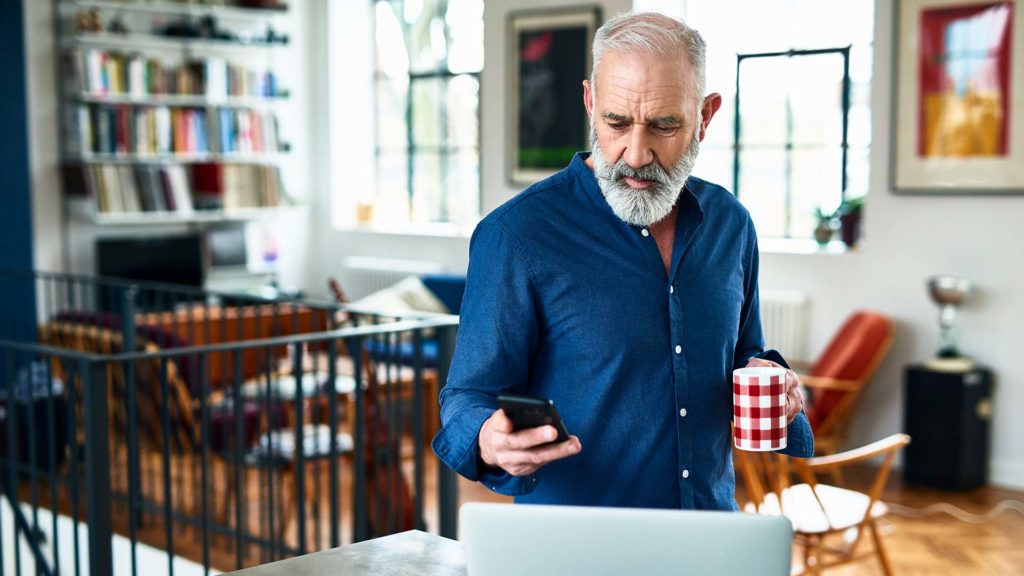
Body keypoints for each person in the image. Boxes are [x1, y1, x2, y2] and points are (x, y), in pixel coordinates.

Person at [432, 11, 813, 511]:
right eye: (616, 122)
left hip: (711, 537)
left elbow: (744, 354)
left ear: (705, 115)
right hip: (577, 551)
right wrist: (487, 437)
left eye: (664, 125)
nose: (636, 153)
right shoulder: (517, 236)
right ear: (590, 102)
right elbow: (466, 397)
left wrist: (778, 388)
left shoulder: (731, 225)